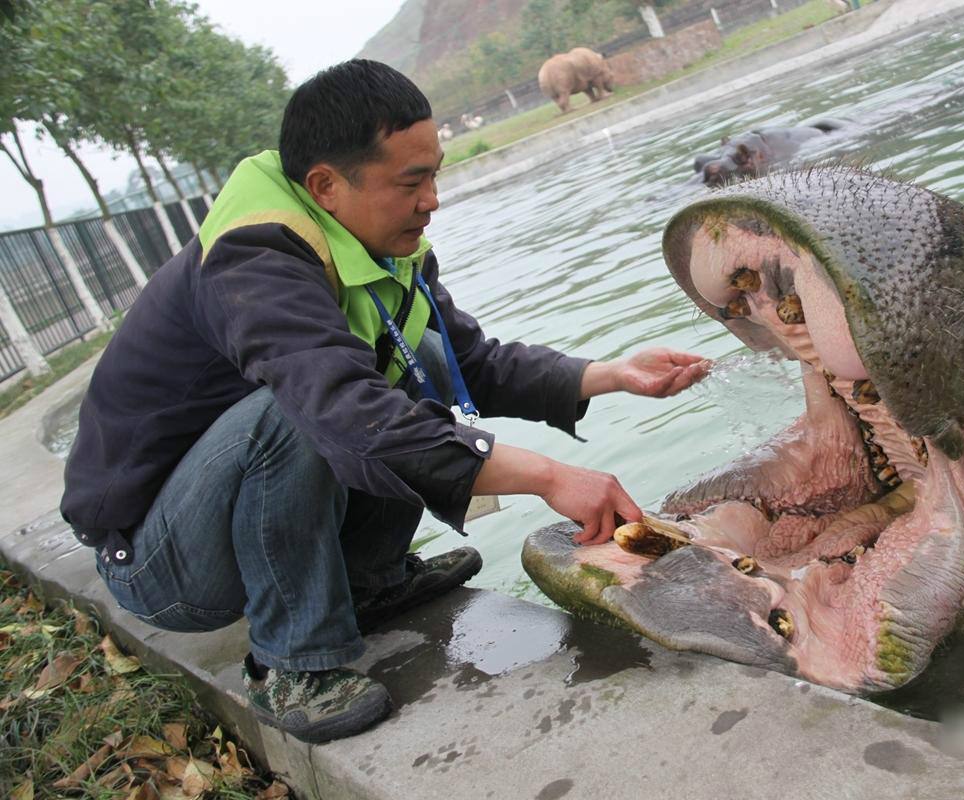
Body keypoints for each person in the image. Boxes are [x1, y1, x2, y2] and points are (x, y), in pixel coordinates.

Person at [59, 59, 707, 745]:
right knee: (297, 413)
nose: (433, 200)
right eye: (411, 182)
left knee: (416, 352)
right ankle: (293, 663)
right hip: (164, 562)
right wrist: (549, 477)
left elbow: (469, 363)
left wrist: (611, 373)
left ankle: (368, 582)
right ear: (325, 186)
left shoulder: (385, 250)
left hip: (230, 519)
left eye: (435, 174)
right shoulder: (254, 262)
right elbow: (346, 415)